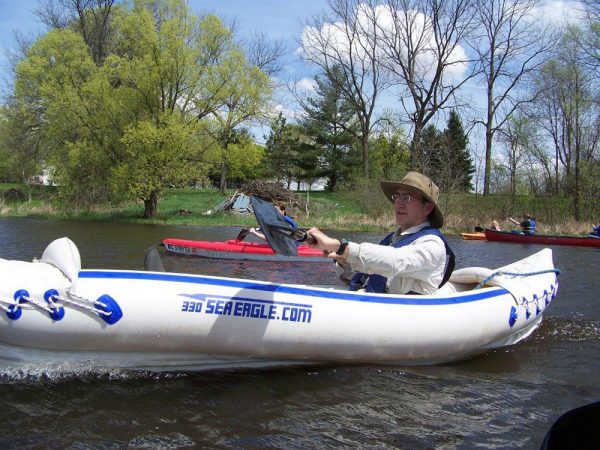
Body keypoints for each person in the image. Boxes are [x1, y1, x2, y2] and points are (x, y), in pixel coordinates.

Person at [306, 171, 455, 295]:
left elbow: (396, 261)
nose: (399, 203)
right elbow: (369, 277)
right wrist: (343, 260)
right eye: (397, 197)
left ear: (427, 208)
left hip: (404, 318)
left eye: (407, 198)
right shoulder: (394, 239)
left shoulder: (433, 244)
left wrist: (342, 247)